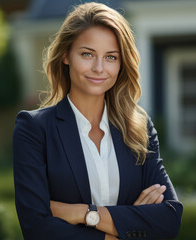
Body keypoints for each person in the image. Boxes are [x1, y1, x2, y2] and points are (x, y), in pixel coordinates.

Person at [12, 2, 183, 240]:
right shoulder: (34, 129)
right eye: (87, 54)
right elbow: (37, 229)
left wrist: (85, 213)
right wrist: (128, 226)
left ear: (121, 64)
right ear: (65, 56)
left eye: (111, 57)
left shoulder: (138, 127)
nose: (99, 68)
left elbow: (169, 219)